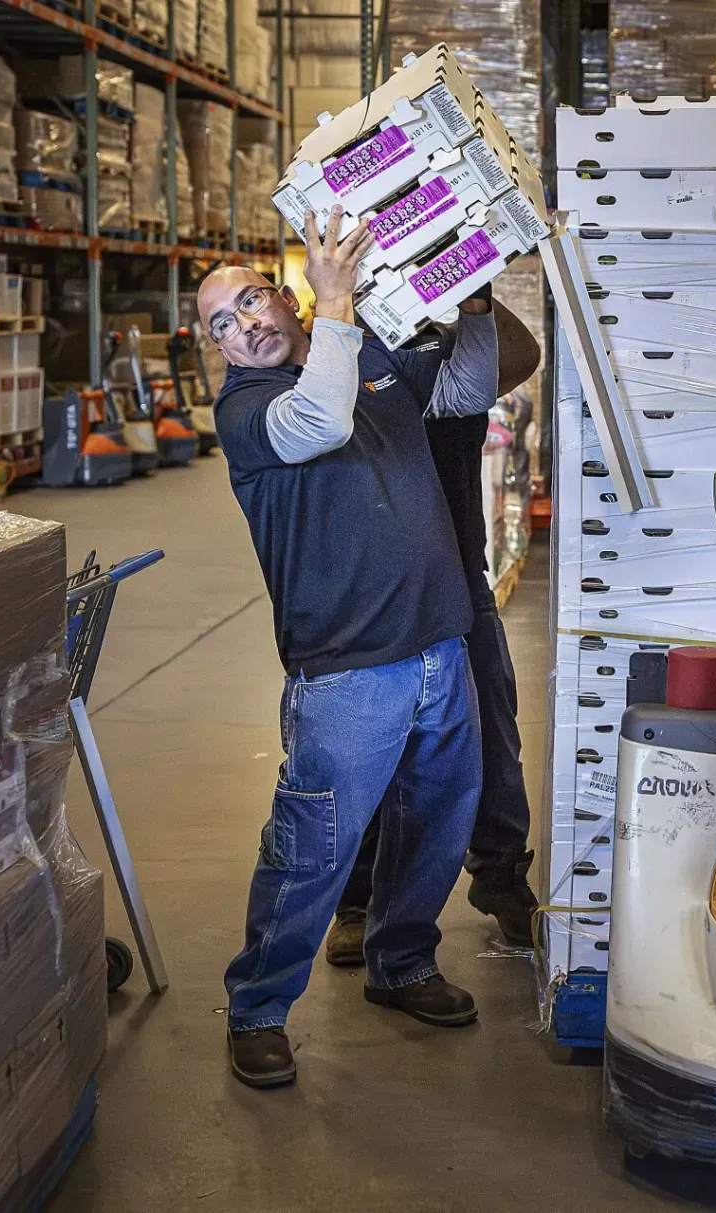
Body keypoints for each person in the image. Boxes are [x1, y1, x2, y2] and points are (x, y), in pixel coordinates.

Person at [202, 207, 540, 1089]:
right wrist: (338, 299)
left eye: (253, 301)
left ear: (283, 297)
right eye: (224, 324)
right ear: (222, 350)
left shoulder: (364, 359)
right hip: (350, 670)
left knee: (435, 823)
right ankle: (260, 1007)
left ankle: (402, 962)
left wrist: (471, 304)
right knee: (312, 844)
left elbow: (466, 390)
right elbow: (319, 420)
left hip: (439, 645)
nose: (246, 324)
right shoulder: (248, 410)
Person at [323, 339, 540, 965]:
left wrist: (465, 267)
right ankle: (359, 900)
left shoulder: (453, 362)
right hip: (374, 590)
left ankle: (500, 875)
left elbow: (518, 355)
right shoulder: (341, 358)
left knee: (493, 734)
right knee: (373, 746)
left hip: (461, 581)